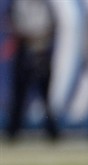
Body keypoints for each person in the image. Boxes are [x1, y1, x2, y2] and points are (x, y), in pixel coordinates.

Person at [5, 0, 59, 141]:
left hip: (41, 51)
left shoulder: (45, 5)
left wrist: (40, 38)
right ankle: (13, 131)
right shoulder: (19, 4)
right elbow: (13, 23)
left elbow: (52, 26)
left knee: (45, 95)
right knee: (19, 94)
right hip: (24, 50)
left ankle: (52, 131)